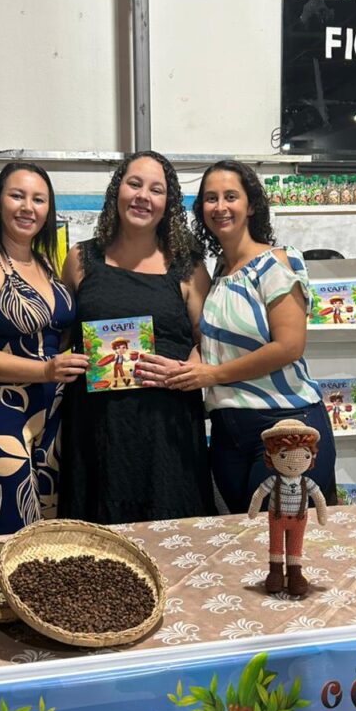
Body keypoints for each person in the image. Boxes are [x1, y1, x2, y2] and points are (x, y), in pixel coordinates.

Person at [144, 159, 335, 514]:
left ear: (251, 206)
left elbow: (289, 346)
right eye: (211, 198)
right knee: (248, 537)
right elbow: (214, 342)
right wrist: (191, 363)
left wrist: (212, 375)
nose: (220, 207)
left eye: (230, 196)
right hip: (228, 432)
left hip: (284, 424)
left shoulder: (276, 263)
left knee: (282, 537)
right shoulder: (219, 272)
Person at [58, 150, 215, 524]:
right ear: (117, 191)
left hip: (167, 430)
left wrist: (191, 368)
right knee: (99, 539)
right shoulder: (80, 258)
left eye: (156, 190)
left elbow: (208, 342)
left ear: (168, 204)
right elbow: (62, 337)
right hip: (97, 431)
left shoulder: (188, 266)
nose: (143, 196)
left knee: (173, 537)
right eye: (134, 184)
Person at [0, 162, 88, 535]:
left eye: (38, 199)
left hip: (53, 414)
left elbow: (58, 337)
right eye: (17, 196)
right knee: (6, 533)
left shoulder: (45, 265)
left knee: (50, 534)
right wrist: (44, 370)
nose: (28, 207)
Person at [247, 420, 327, 596]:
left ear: (311, 457)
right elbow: (259, 494)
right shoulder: (273, 481)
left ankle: (294, 573)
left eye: (305, 455)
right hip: (276, 518)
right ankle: (275, 572)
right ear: (271, 455)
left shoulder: (307, 482)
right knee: (275, 545)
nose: (296, 461)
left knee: (295, 546)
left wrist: (322, 515)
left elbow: (319, 498)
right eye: (283, 455)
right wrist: (253, 511)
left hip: (299, 519)